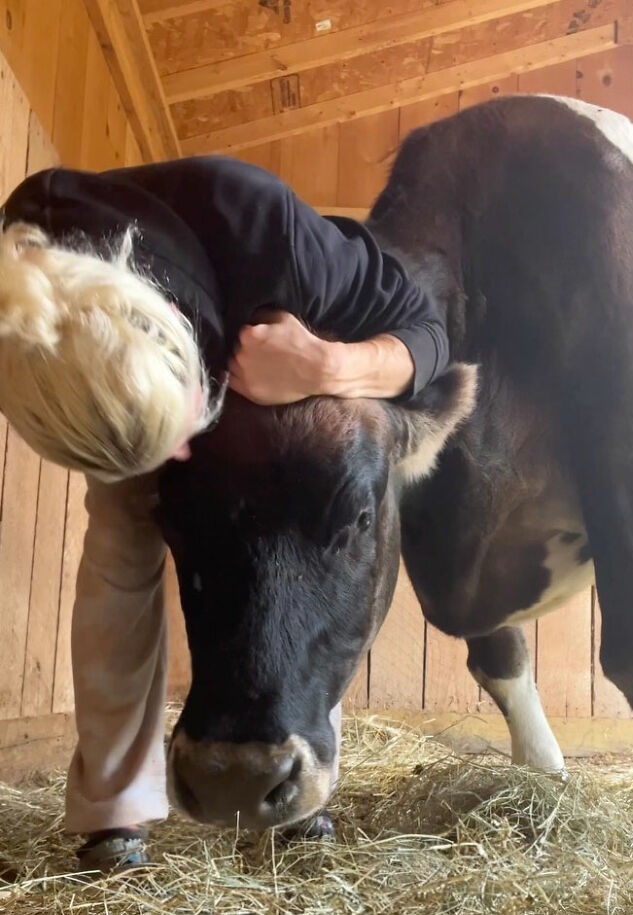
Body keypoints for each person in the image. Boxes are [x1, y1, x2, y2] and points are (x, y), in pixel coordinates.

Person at [1, 156, 449, 872]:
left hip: (291, 390)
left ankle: (304, 773)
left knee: (318, 509)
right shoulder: (23, 263)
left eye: (174, 432)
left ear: (179, 336)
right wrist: (130, 446)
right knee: (118, 538)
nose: (177, 452)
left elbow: (429, 337)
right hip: (108, 385)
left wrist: (328, 368)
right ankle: (113, 813)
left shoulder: (278, 241)